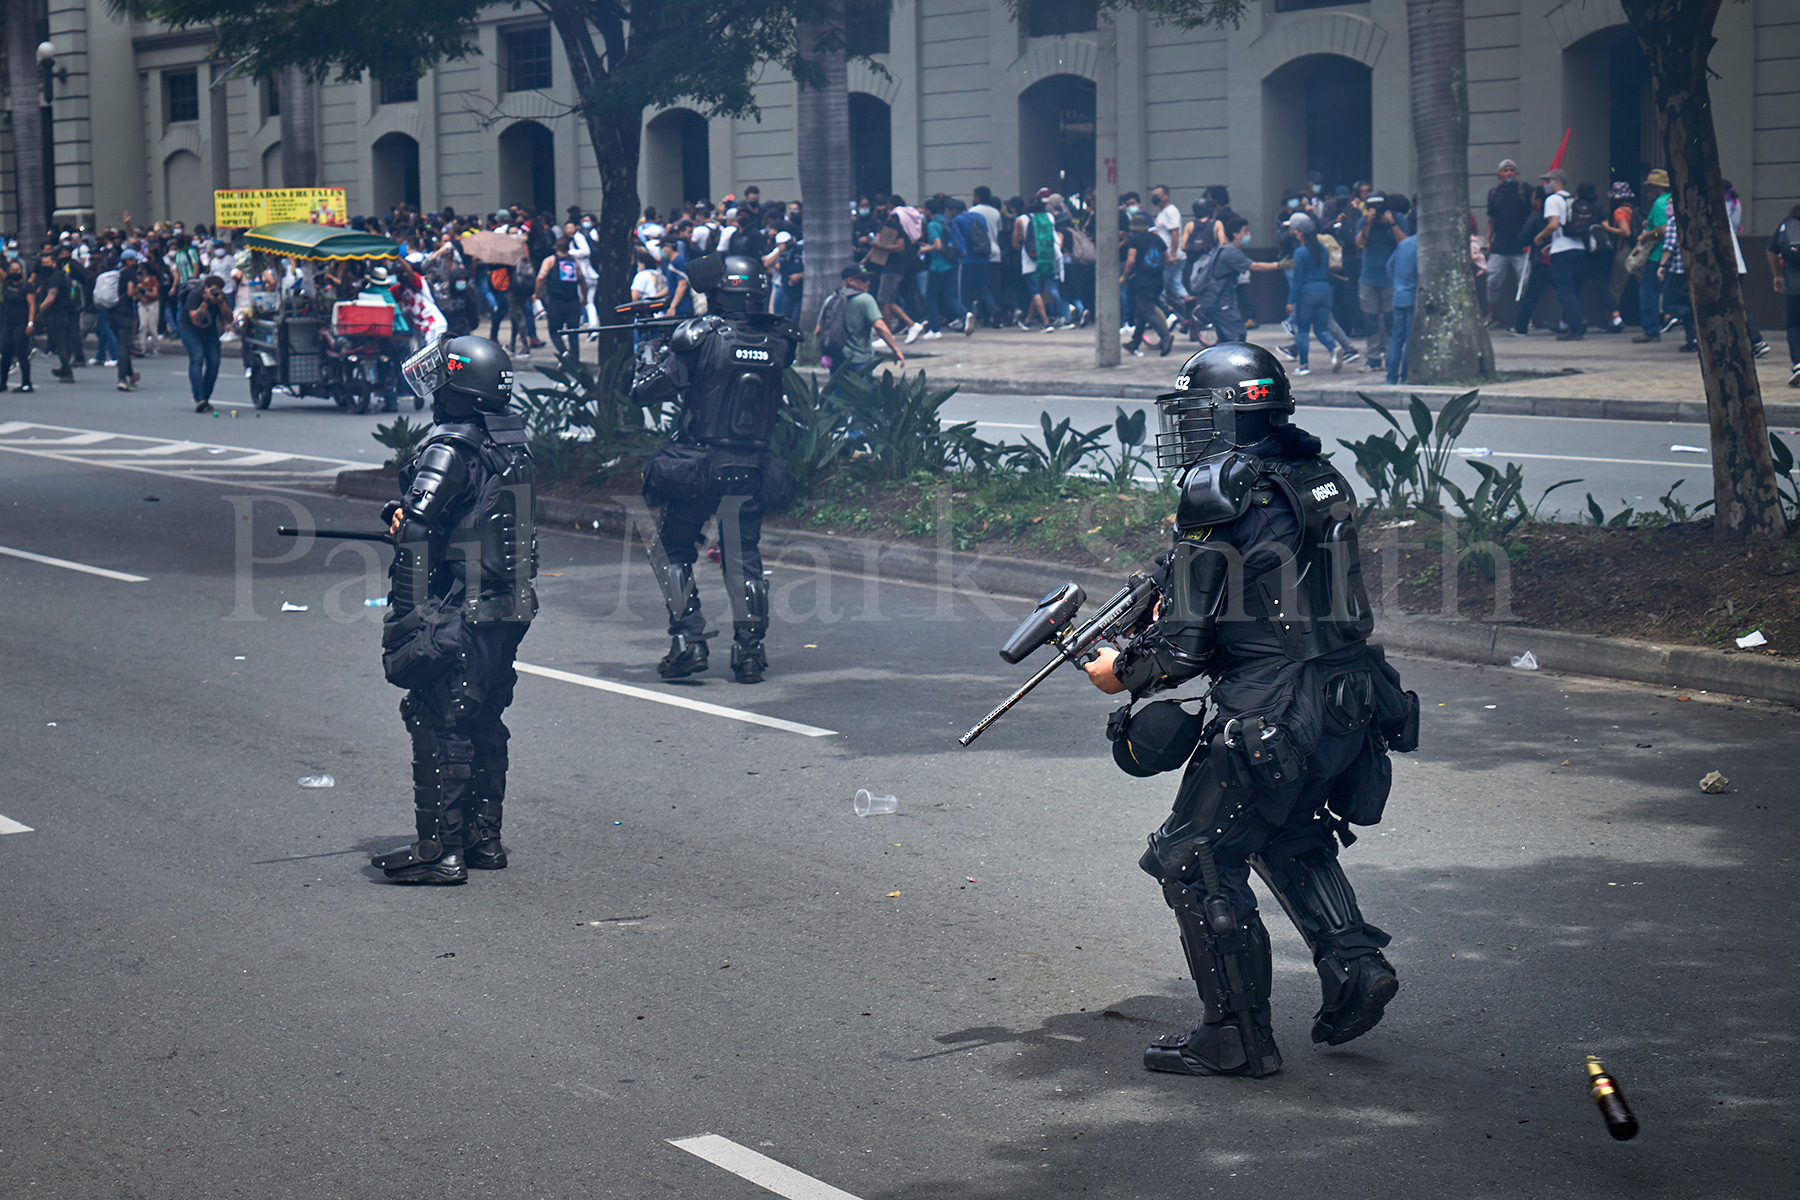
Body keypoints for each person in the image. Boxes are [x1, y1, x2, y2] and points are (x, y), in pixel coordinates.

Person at [1080, 342, 1413, 1077]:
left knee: (1192, 858)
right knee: (1285, 830)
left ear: (1231, 413)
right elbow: (1274, 590)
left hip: (1271, 711)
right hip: (1348, 695)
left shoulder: (1218, 488)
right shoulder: (1313, 475)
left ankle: (1234, 1037)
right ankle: (1355, 967)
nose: (1185, 429)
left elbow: (1184, 650)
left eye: (1195, 413)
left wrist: (1117, 671)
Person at [372, 335, 537, 884]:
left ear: (458, 388)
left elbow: (418, 532)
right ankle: (483, 840)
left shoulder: (448, 448)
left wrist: (407, 616)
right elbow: (474, 517)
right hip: (509, 605)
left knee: (437, 717)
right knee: (482, 717)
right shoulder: (510, 446)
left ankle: (440, 851)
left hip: (461, 605)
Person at [634, 254, 801, 684]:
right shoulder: (781, 340)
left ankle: (689, 639)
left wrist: (649, 352)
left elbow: (645, 391)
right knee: (743, 559)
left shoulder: (701, 337)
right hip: (752, 468)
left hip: (700, 465)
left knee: (672, 550)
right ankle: (750, 653)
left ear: (720, 293)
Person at [1187, 215, 1281, 345]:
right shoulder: (1230, 252)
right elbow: (1255, 266)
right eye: (1245, 231)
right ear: (1235, 234)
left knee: (1224, 339)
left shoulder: (1224, 249)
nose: (1248, 235)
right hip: (1220, 302)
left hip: (1213, 301)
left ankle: (1219, 357)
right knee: (1238, 334)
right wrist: (1279, 265)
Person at [823, 262, 905, 377]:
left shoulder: (830, 300)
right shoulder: (865, 299)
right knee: (862, 388)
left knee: (838, 389)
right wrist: (896, 350)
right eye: (863, 279)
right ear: (850, 281)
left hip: (837, 359)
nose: (868, 282)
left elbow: (818, 331)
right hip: (860, 359)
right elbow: (879, 326)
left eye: (868, 279)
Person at [1285, 214, 1341, 375]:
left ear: (1300, 232)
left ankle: (1304, 366)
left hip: (1307, 292)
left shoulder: (1299, 252)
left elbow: (1297, 279)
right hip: (1325, 290)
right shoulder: (1322, 249)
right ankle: (1334, 348)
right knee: (1321, 329)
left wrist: (1290, 301)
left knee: (1302, 330)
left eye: (1295, 230)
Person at [1484, 159, 1532, 326]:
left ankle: (1525, 318)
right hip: (1500, 246)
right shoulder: (1493, 193)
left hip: (1521, 246)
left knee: (1524, 281)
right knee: (1492, 280)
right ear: (1499, 174)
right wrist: (1488, 239)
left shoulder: (1524, 190)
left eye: (1512, 170)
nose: (1509, 173)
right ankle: (1492, 315)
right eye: (1505, 170)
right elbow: (1491, 219)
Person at [178, 274, 234, 412]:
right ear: (206, 288)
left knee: (214, 362)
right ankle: (199, 398)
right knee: (197, 357)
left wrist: (220, 302)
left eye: (218, 290)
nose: (215, 293)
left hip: (210, 331)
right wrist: (206, 302)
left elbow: (229, 319)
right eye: (212, 290)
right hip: (189, 329)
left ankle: (205, 398)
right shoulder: (195, 295)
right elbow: (195, 320)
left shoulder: (220, 297)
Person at [1122, 211, 1173, 356]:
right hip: (1158, 280)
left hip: (1142, 281)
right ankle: (1134, 343)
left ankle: (1165, 337)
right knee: (1141, 312)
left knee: (1147, 309)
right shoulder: (1156, 238)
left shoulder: (1134, 239)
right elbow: (1167, 258)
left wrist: (1125, 276)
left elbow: (1131, 260)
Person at [1633, 169, 1672, 343]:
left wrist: (1646, 235)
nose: (1647, 192)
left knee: (1648, 292)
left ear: (1657, 188)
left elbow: (1662, 230)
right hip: (1672, 254)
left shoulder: (1660, 203)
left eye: (1650, 188)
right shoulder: (1671, 200)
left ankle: (1651, 330)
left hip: (1658, 254)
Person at [536, 236, 588, 362]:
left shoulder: (550, 260)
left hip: (556, 301)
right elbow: (583, 282)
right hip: (573, 301)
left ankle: (564, 353)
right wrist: (584, 298)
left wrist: (537, 292)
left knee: (554, 331)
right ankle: (576, 361)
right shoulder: (574, 262)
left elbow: (541, 277)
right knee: (573, 333)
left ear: (555, 247)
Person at [1769, 201, 1800, 387]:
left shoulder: (1787, 224)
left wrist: (1777, 275)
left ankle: (1798, 363)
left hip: (1794, 286)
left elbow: (1771, 250)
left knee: (1794, 324)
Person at [1387, 227, 1418, 385]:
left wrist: (1397, 283)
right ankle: (1405, 375)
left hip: (1398, 295)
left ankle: (1391, 376)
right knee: (1409, 339)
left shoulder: (1403, 244)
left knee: (1396, 338)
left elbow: (1389, 265)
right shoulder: (1425, 246)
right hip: (1413, 296)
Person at [1, 258, 35, 392]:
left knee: (21, 353)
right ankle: (3, 382)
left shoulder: (26, 286)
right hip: (8, 323)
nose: (15, 272)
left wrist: (30, 323)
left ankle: (26, 383)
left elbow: (32, 305)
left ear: (22, 271)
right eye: (12, 270)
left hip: (21, 323)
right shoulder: (7, 284)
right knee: (5, 352)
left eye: (17, 270)